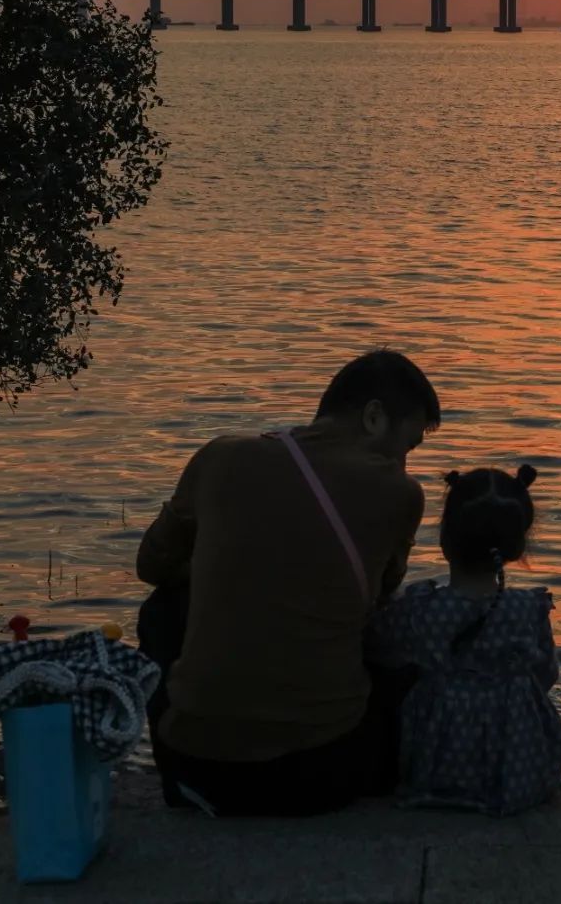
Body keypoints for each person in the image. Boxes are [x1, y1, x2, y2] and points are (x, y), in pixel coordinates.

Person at [135, 349, 440, 816]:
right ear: (374, 417)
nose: (403, 462)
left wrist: (226, 568)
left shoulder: (220, 457)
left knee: (162, 608)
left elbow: (152, 567)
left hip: (193, 767)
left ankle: (200, 736)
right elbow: (379, 602)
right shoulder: (399, 493)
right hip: (325, 773)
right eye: (408, 447)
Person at [365, 464, 561, 815]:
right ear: (518, 545)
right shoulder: (528, 608)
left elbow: (378, 649)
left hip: (436, 767)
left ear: (445, 540)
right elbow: (546, 675)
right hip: (517, 770)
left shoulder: (422, 609)